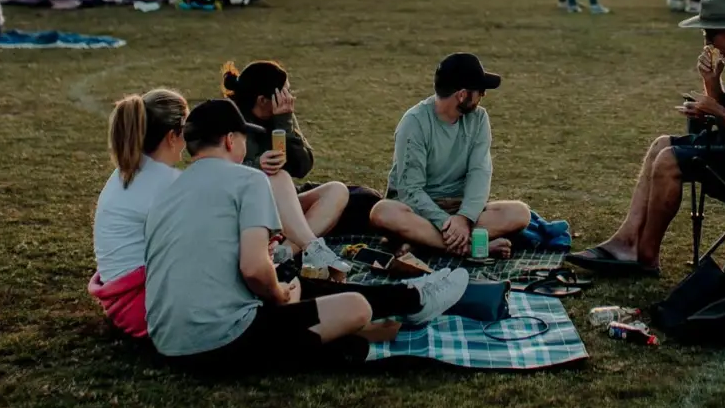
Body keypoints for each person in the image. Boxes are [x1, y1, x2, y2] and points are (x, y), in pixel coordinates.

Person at [144, 99, 469, 370]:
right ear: (231, 140)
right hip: (222, 341)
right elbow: (254, 269)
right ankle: (414, 300)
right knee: (353, 307)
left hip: (166, 342)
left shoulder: (168, 192)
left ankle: (410, 299)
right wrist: (279, 295)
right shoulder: (247, 180)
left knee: (299, 284)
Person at [567, 0, 725, 276]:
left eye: (710, 34)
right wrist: (712, 83)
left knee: (669, 161)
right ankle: (627, 239)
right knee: (661, 145)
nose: (708, 42)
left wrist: (716, 110)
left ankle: (645, 256)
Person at [368, 54, 532, 258]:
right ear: (462, 95)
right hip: (419, 210)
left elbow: (480, 172)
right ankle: (473, 247)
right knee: (383, 212)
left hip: (459, 208)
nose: (482, 96)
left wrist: (464, 217)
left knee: (519, 213)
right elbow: (410, 190)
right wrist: (446, 222)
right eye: (480, 91)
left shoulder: (479, 119)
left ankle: (425, 243)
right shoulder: (414, 123)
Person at [223, 60, 356, 269]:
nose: (290, 97)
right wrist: (257, 166)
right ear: (263, 100)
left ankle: (282, 253)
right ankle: (311, 247)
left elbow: (303, 166)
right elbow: (221, 173)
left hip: (282, 207)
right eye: (285, 92)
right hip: (243, 210)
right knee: (278, 175)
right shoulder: (228, 119)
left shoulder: (280, 116)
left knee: (337, 190)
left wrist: (284, 124)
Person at [90, 89, 189, 337]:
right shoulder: (167, 182)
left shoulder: (127, 173)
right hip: (145, 306)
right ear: (172, 136)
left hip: (122, 303)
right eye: (186, 129)